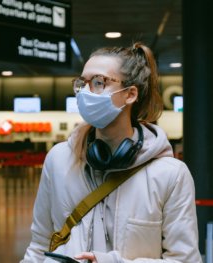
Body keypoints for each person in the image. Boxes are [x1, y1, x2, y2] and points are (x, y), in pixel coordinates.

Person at [21, 42, 202, 262]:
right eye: (82, 83)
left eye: (99, 82)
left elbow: (185, 259)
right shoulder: (58, 160)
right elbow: (39, 245)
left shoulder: (170, 175)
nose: (86, 92)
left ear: (130, 94)